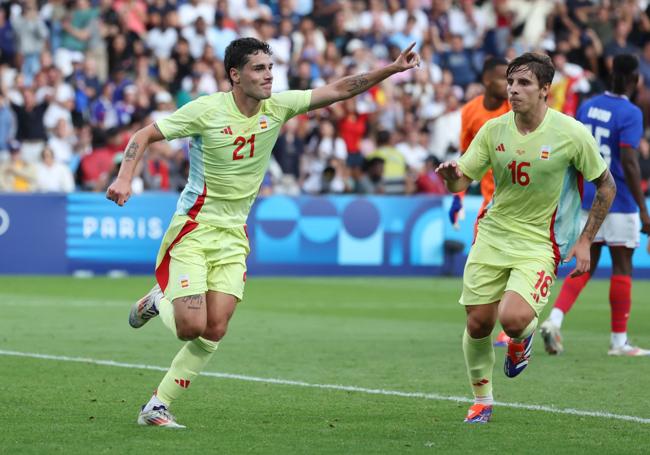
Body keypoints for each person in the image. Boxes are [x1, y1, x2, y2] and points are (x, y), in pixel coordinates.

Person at [106, 37, 420, 428]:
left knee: (215, 328)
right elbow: (143, 136)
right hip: (193, 228)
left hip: (233, 234)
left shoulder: (279, 107)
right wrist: (124, 178)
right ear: (235, 75)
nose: (269, 75)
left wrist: (391, 69)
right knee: (191, 326)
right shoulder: (207, 110)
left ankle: (157, 405)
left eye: (271, 67)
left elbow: (340, 89)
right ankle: (159, 299)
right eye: (259, 68)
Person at [435, 52, 615, 424]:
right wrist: (450, 176)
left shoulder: (570, 133)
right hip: (493, 233)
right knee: (478, 324)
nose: (513, 90)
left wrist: (585, 240)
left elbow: (606, 186)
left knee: (513, 318)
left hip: (539, 242)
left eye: (523, 84)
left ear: (545, 90)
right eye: (511, 82)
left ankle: (521, 340)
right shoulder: (493, 129)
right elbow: (461, 180)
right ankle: (482, 400)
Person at [539, 54, 650, 357]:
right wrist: (643, 208)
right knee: (622, 266)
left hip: (589, 197)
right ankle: (619, 342)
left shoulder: (589, 106)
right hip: (621, 199)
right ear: (634, 80)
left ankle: (554, 318)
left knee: (584, 264)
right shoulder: (631, 113)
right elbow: (628, 160)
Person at [449, 56, 511, 347]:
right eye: (505, 79)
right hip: (490, 204)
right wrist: (457, 197)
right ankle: (484, 323)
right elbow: (465, 159)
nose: (511, 86)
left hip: (521, 203)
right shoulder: (471, 112)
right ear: (488, 80)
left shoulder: (516, 109)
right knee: (481, 265)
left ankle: (513, 325)